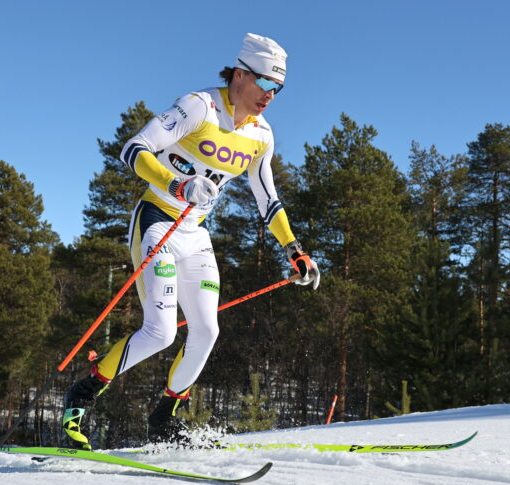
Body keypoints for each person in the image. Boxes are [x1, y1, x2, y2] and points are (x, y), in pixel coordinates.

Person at [62, 33, 320, 449]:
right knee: (160, 333)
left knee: (206, 330)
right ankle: (81, 396)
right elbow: (134, 149)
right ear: (240, 75)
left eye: (279, 89)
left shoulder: (261, 135)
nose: (271, 96)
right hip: (158, 219)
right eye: (266, 85)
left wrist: (295, 250)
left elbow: (267, 200)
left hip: (195, 234)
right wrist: (177, 184)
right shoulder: (199, 106)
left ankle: (164, 419)